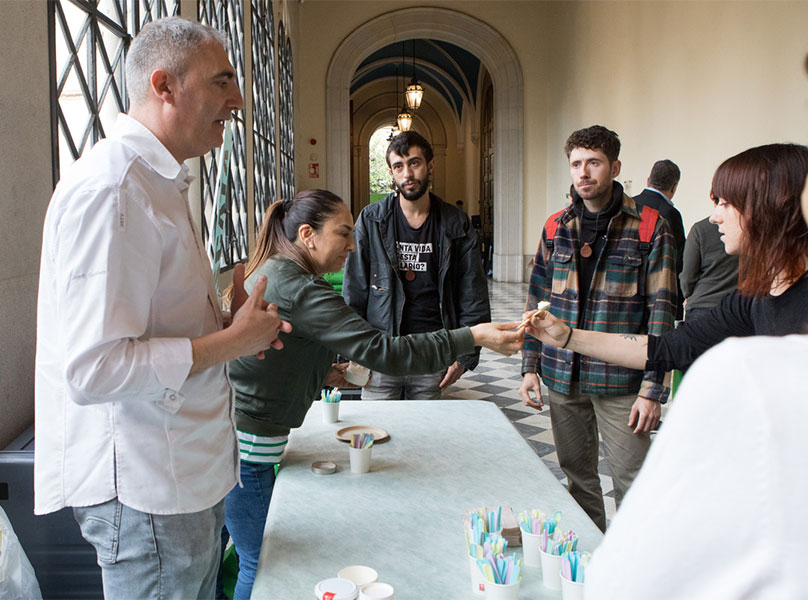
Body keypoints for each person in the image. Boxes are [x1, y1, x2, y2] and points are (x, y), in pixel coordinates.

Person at [583, 8, 808, 597]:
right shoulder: (755, 303)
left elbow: (628, 582)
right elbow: (667, 346)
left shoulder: (752, 378)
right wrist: (561, 335)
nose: (712, 213)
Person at [34, 17, 290, 599]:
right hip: (146, 489)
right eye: (223, 81)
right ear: (164, 86)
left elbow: (154, 326)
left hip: (181, 478)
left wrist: (230, 323)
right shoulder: (114, 189)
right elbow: (92, 370)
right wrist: (232, 343)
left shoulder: (157, 182)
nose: (239, 100)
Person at [224, 189, 523, 598]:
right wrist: (471, 336)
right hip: (251, 448)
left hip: (242, 439)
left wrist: (324, 372)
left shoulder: (282, 272)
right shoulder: (302, 290)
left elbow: (279, 355)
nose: (352, 244)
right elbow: (385, 351)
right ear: (308, 235)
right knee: (261, 565)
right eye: (343, 233)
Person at [526, 143, 808, 374]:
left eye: (726, 203)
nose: (715, 217)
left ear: (773, 205)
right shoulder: (753, 297)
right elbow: (668, 348)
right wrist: (568, 337)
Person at [518, 125, 678, 531]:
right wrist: (530, 366)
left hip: (621, 384)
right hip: (562, 374)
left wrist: (652, 390)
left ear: (615, 167)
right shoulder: (556, 226)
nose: (583, 172)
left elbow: (662, 312)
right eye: (576, 164)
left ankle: (635, 571)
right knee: (577, 477)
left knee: (633, 482)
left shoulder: (649, 226)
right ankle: (590, 566)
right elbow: (537, 300)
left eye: (594, 163)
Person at [344, 131, 490, 399]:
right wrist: (355, 350)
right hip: (381, 351)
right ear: (391, 171)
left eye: (414, 163)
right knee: (375, 432)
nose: (407, 174)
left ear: (430, 165)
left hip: (433, 352)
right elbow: (354, 290)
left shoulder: (455, 223)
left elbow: (472, 292)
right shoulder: (371, 219)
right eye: (398, 166)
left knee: (424, 436)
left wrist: (466, 355)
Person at [632, 160, 686, 317]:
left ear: (648, 180)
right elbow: (677, 261)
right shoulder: (670, 214)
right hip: (658, 297)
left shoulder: (628, 204)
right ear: (674, 186)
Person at [680, 216, 739, 321]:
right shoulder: (753, 228)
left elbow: (687, 276)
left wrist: (687, 294)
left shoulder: (700, 228)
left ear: (712, 198)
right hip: (738, 307)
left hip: (702, 305)